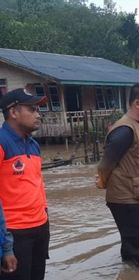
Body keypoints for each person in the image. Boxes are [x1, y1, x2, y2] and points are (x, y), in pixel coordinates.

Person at [97, 84, 139, 269]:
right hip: (127, 200)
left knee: (133, 248)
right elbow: (105, 164)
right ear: (137, 103)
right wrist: (102, 181)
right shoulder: (124, 130)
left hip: (137, 197)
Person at [0, 88, 50, 280]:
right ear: (13, 112)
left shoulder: (33, 145)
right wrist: (5, 246)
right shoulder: (2, 143)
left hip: (39, 229)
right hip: (14, 234)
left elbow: (37, 187)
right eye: (32, 109)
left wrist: (45, 222)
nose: (38, 115)